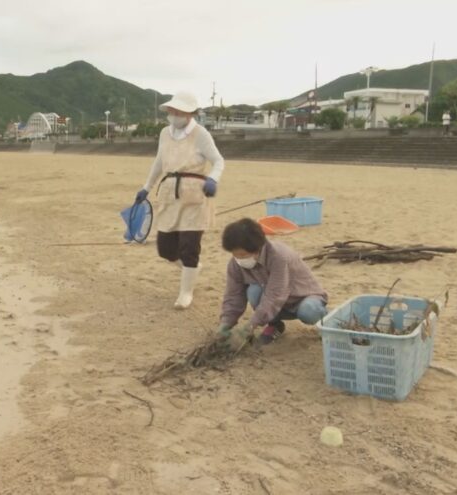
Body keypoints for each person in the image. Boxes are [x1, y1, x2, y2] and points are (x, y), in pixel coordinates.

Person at [134, 91, 225, 309]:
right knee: (165, 248)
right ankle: (191, 268)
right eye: (172, 110)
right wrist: (146, 187)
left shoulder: (201, 134)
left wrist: (212, 179)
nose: (174, 115)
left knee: (189, 246)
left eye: (179, 111)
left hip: (194, 194)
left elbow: (218, 161)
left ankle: (186, 292)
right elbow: (158, 161)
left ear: (190, 113)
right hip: (169, 193)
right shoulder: (165, 133)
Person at [217, 218, 328, 347]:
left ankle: (329, 323)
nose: (239, 259)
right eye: (235, 255)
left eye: (243, 255)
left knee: (309, 311)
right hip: (277, 305)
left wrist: (250, 326)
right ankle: (275, 325)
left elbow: (275, 295)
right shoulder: (235, 264)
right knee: (254, 292)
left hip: (302, 298)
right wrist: (225, 324)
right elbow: (233, 295)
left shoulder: (279, 257)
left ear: (257, 248)